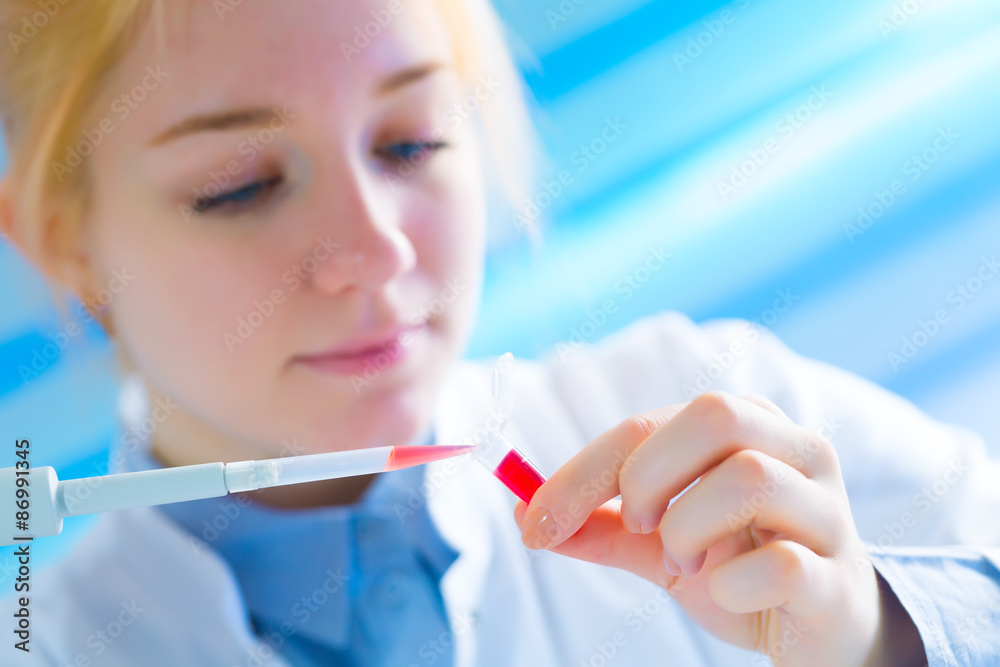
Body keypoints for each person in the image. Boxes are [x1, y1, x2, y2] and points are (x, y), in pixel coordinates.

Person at [0, 0, 998, 665]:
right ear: (61, 241)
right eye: (241, 186)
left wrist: (877, 635)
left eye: (412, 141)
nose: (376, 249)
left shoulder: (719, 411)